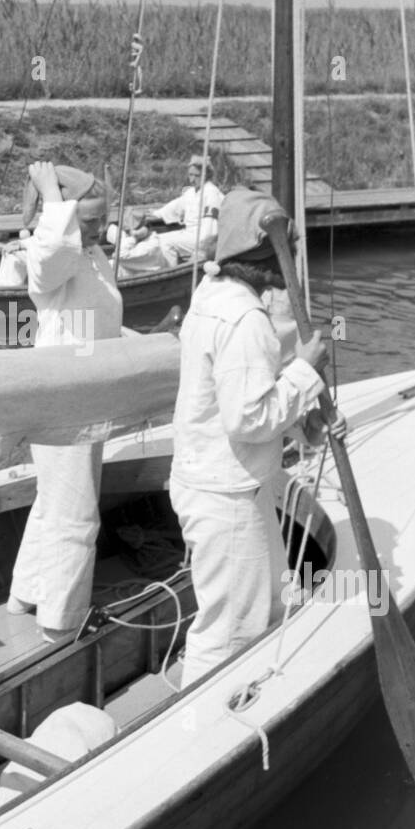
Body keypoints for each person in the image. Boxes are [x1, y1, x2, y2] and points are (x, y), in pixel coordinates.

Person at [169, 188, 333, 687]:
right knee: (227, 629)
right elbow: (249, 419)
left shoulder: (211, 295)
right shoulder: (245, 320)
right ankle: (202, 723)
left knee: (264, 599)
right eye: (288, 252)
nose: (293, 264)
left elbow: (238, 399)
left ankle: (253, 686)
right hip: (226, 495)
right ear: (262, 258)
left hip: (224, 483)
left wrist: (302, 414)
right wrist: (305, 372)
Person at [6, 162, 123, 644]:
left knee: (54, 502)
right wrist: (52, 196)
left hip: (86, 395)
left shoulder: (90, 252)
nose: (100, 228)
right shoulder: (52, 255)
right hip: (64, 399)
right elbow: (52, 249)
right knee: (76, 514)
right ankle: (60, 621)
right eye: (90, 219)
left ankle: (26, 594)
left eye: (101, 217)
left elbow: (96, 319)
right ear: (64, 217)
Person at [108, 156, 225, 276]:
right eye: (190, 175)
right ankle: (144, 266)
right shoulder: (191, 192)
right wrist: (155, 214)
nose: (192, 179)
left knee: (164, 242)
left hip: (201, 238)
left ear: (206, 175)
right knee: (158, 237)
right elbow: (174, 206)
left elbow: (210, 228)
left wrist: (203, 248)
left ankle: (171, 274)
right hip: (188, 233)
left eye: (196, 176)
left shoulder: (211, 194)